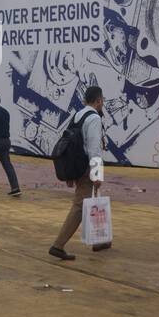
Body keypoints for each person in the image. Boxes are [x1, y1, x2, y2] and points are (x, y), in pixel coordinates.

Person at [48, 85, 109, 260]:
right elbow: (94, 148)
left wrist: (70, 174)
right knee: (79, 205)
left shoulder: (77, 115)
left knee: (91, 202)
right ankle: (58, 245)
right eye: (102, 100)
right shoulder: (94, 119)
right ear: (99, 100)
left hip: (78, 166)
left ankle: (99, 240)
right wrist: (97, 174)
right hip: (87, 169)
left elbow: (68, 143)